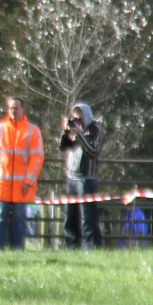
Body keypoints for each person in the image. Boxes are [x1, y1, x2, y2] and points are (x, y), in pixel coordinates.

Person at [0, 95, 43, 249]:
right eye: (11, 108)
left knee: (19, 219)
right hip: (1, 183)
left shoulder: (32, 131)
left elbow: (37, 158)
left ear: (23, 110)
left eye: (16, 108)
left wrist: (28, 181)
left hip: (22, 185)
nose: (13, 111)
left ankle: (17, 251)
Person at [61, 101, 105, 248]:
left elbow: (93, 151)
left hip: (86, 179)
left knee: (87, 217)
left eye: (79, 118)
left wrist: (80, 134)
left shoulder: (96, 128)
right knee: (70, 216)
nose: (76, 121)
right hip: (71, 178)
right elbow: (63, 147)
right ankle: (71, 247)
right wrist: (66, 132)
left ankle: (91, 247)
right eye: (74, 117)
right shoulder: (73, 130)